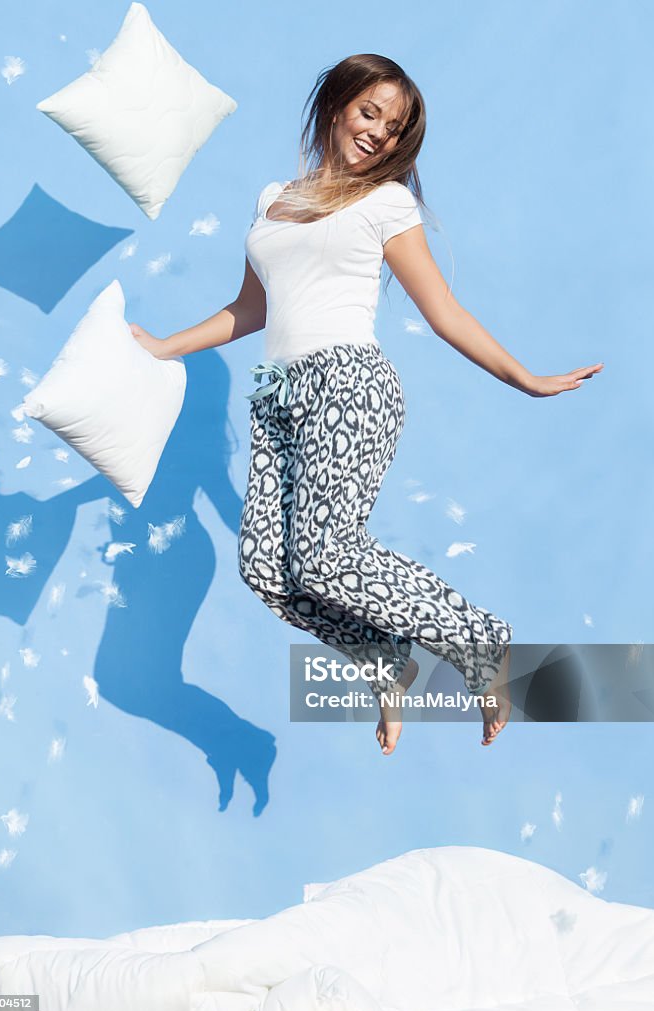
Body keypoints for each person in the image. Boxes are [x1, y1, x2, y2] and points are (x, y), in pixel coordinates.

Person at [130, 53, 603, 755]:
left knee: (325, 557)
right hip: (276, 391)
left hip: (348, 382)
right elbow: (252, 308)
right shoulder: (271, 200)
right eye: (370, 112)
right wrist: (165, 346)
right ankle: (384, 657)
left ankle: (482, 642)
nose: (378, 134)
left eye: (394, 128)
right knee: (266, 566)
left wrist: (524, 378)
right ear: (336, 105)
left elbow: (443, 311)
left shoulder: (386, 202)